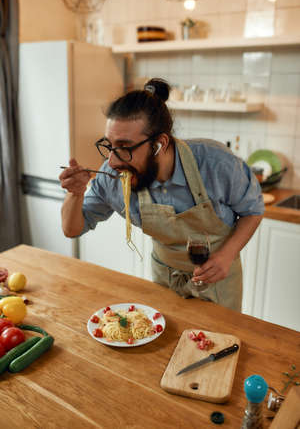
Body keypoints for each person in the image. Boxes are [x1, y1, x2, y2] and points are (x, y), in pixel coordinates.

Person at [59, 78, 264, 312]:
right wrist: (75, 194)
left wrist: (227, 256)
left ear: (159, 144)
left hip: (218, 282)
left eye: (125, 147)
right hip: (163, 283)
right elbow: (72, 229)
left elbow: (253, 210)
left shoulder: (215, 163)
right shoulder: (112, 175)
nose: (113, 161)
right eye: (110, 146)